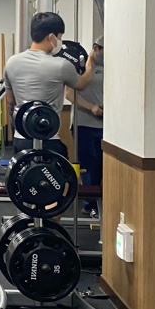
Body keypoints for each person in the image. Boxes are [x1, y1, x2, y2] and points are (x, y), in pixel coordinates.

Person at [4, 12, 97, 159]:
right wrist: (90, 63)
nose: (60, 41)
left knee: (24, 173)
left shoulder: (11, 62)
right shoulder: (61, 65)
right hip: (48, 138)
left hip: (20, 139)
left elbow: (11, 100)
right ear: (51, 37)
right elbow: (82, 84)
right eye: (59, 37)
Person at [67, 36, 104, 212]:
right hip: (84, 124)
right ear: (96, 49)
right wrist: (91, 107)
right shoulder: (80, 67)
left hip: (105, 126)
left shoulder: (112, 67)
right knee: (89, 166)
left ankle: (98, 205)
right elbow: (69, 94)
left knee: (101, 168)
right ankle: (90, 205)